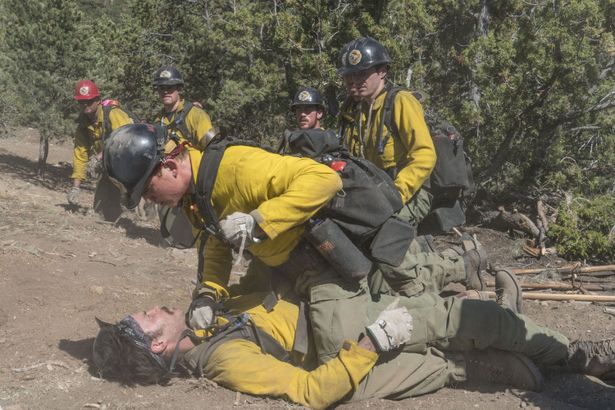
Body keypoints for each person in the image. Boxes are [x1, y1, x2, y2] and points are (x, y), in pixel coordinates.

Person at [102, 123, 488, 364]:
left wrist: (258, 221)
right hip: (284, 264)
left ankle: (464, 317)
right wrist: (207, 293)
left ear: (170, 166)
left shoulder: (238, 168)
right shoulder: (196, 194)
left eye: (149, 192)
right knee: (255, 309)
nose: (151, 202)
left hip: (323, 257)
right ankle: (459, 267)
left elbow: (323, 181)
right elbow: (216, 241)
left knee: (339, 345)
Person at [92, 272, 615, 409]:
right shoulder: (225, 360)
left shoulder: (206, 324)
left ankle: (554, 359)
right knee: (470, 328)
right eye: (146, 317)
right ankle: (578, 358)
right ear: (157, 345)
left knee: (465, 327)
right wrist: (371, 341)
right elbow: (311, 392)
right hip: (347, 336)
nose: (153, 308)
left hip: (339, 306)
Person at [337, 37, 435, 227]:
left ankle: (454, 257)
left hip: (409, 194)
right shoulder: (351, 110)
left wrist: (396, 194)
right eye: (348, 75)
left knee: (381, 237)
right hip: (370, 195)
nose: (353, 80)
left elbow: (425, 155)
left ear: (382, 72)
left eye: (361, 73)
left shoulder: (401, 102)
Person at [67, 79, 136, 210]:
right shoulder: (83, 125)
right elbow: (80, 155)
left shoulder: (113, 113)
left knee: (135, 209)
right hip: (110, 167)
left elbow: (125, 139)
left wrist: (99, 156)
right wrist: (75, 187)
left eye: (89, 101)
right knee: (101, 211)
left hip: (132, 165)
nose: (85, 104)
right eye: (81, 102)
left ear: (98, 100)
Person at [152, 66, 217, 150]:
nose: (165, 92)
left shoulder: (196, 115)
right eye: (161, 88)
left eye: (169, 87)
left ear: (179, 89)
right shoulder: (158, 120)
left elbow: (211, 149)